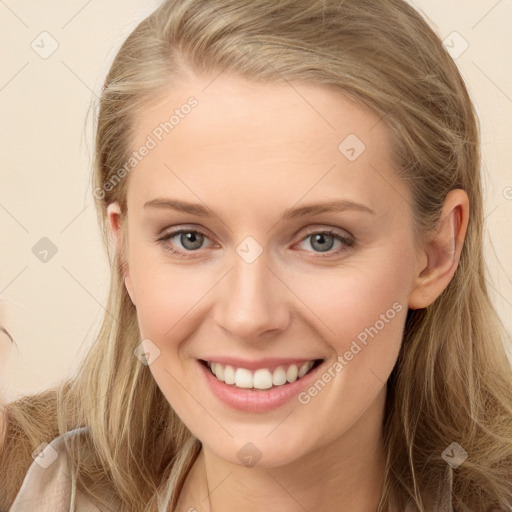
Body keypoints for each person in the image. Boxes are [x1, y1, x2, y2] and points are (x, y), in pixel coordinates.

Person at [1, 0, 512, 510]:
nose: (249, 317)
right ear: (124, 250)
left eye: (322, 240)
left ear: (437, 251)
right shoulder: (22, 481)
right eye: (189, 238)